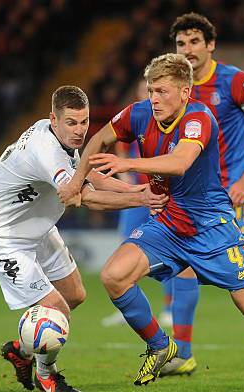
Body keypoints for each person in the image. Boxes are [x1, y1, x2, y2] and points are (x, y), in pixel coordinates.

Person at [58, 54, 244, 392]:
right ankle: (162, 346)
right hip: (168, 223)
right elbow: (100, 138)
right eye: (150, 90)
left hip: (212, 228)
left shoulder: (199, 117)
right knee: (113, 276)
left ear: (185, 91)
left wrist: (126, 161)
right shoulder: (139, 113)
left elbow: (181, 162)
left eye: (161, 91)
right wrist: (77, 180)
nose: (154, 98)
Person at [0, 85, 168, 392]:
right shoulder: (45, 150)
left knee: (75, 296)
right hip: (5, 238)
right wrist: (142, 201)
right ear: (54, 119)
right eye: (71, 123)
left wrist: (137, 191)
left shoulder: (61, 139)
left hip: (39, 229)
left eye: (84, 122)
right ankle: (47, 376)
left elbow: (89, 176)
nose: (79, 131)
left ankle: (22, 353)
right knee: (55, 308)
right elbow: (83, 196)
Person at [158, 12, 244, 380]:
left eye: (194, 42)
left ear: (210, 45)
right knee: (184, 264)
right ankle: (183, 354)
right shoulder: (178, 90)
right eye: (180, 43)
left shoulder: (236, 82)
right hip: (202, 196)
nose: (187, 50)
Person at [102, 80, 174, 328]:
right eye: (146, 91)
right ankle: (127, 306)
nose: (150, 96)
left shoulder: (170, 122)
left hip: (162, 197)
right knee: (127, 248)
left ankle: (169, 308)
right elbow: (120, 151)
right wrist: (127, 181)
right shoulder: (134, 119)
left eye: (154, 92)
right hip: (136, 197)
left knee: (168, 252)